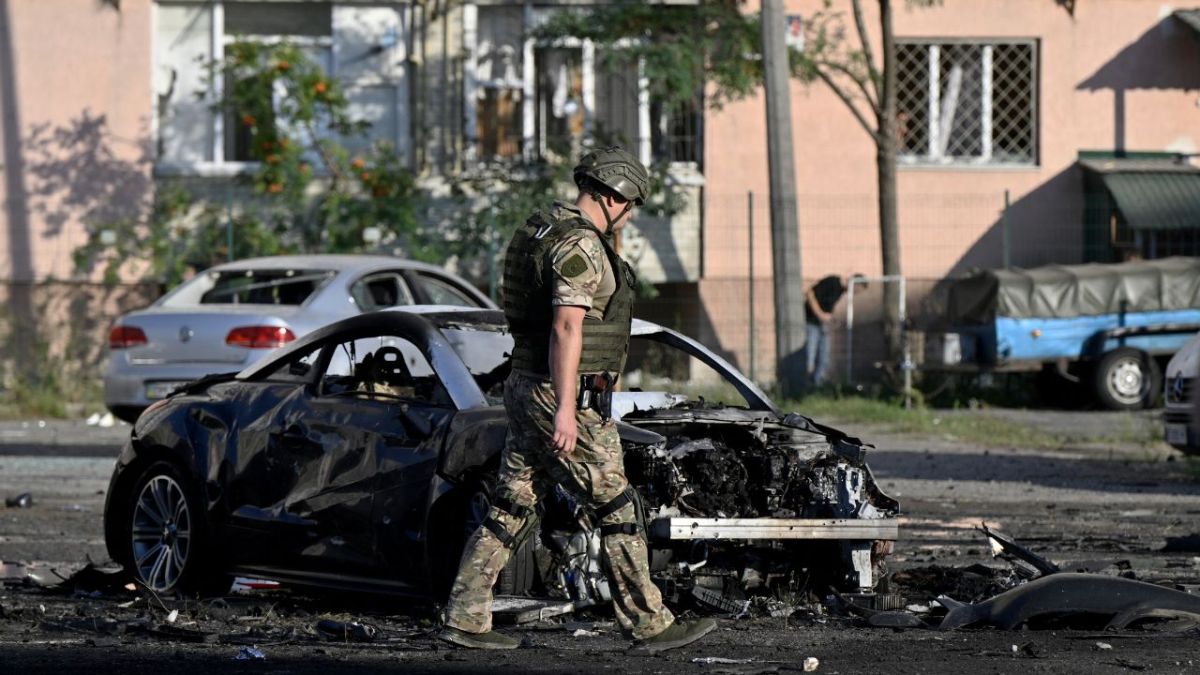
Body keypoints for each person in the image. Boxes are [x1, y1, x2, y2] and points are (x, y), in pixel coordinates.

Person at [437, 147, 716, 652]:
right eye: (629, 206)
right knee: (616, 505)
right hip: (564, 393)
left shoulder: (544, 228)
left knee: (511, 504)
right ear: (613, 196)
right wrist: (566, 409)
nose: (628, 217)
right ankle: (649, 622)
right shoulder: (580, 247)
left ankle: (465, 613)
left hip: (526, 385)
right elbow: (567, 327)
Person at [805, 274, 861, 387]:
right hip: (812, 323)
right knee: (809, 356)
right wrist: (820, 314)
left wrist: (831, 319)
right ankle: (805, 386)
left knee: (824, 357)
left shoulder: (841, 291)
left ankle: (817, 386)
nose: (855, 293)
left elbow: (828, 307)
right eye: (857, 290)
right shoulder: (833, 282)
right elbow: (810, 293)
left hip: (823, 326)